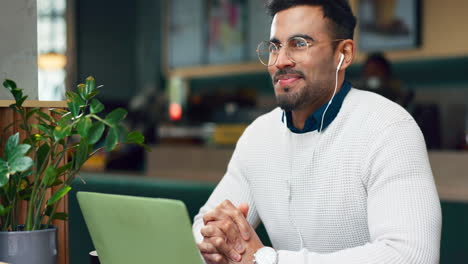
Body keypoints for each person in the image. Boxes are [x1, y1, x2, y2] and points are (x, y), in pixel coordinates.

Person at [192, 1, 441, 264]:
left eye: (299, 43)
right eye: (275, 46)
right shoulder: (258, 136)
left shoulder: (388, 127)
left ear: (343, 54)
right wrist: (215, 239)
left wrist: (267, 260)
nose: (280, 61)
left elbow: (412, 256)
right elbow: (204, 224)